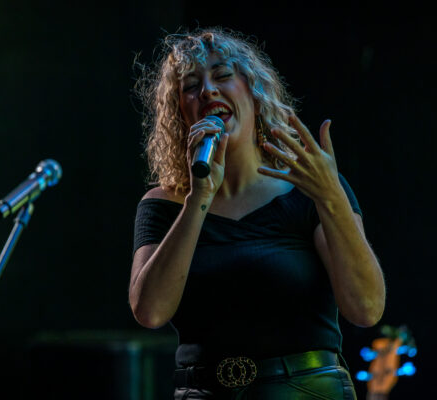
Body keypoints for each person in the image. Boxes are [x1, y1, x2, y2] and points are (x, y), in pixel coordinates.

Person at [130, 28, 385, 399]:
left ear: (254, 91)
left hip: (305, 391)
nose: (207, 91)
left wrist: (330, 196)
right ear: (179, 112)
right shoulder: (163, 205)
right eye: (191, 86)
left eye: (222, 75)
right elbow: (150, 312)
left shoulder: (307, 186)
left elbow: (366, 308)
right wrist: (199, 197)